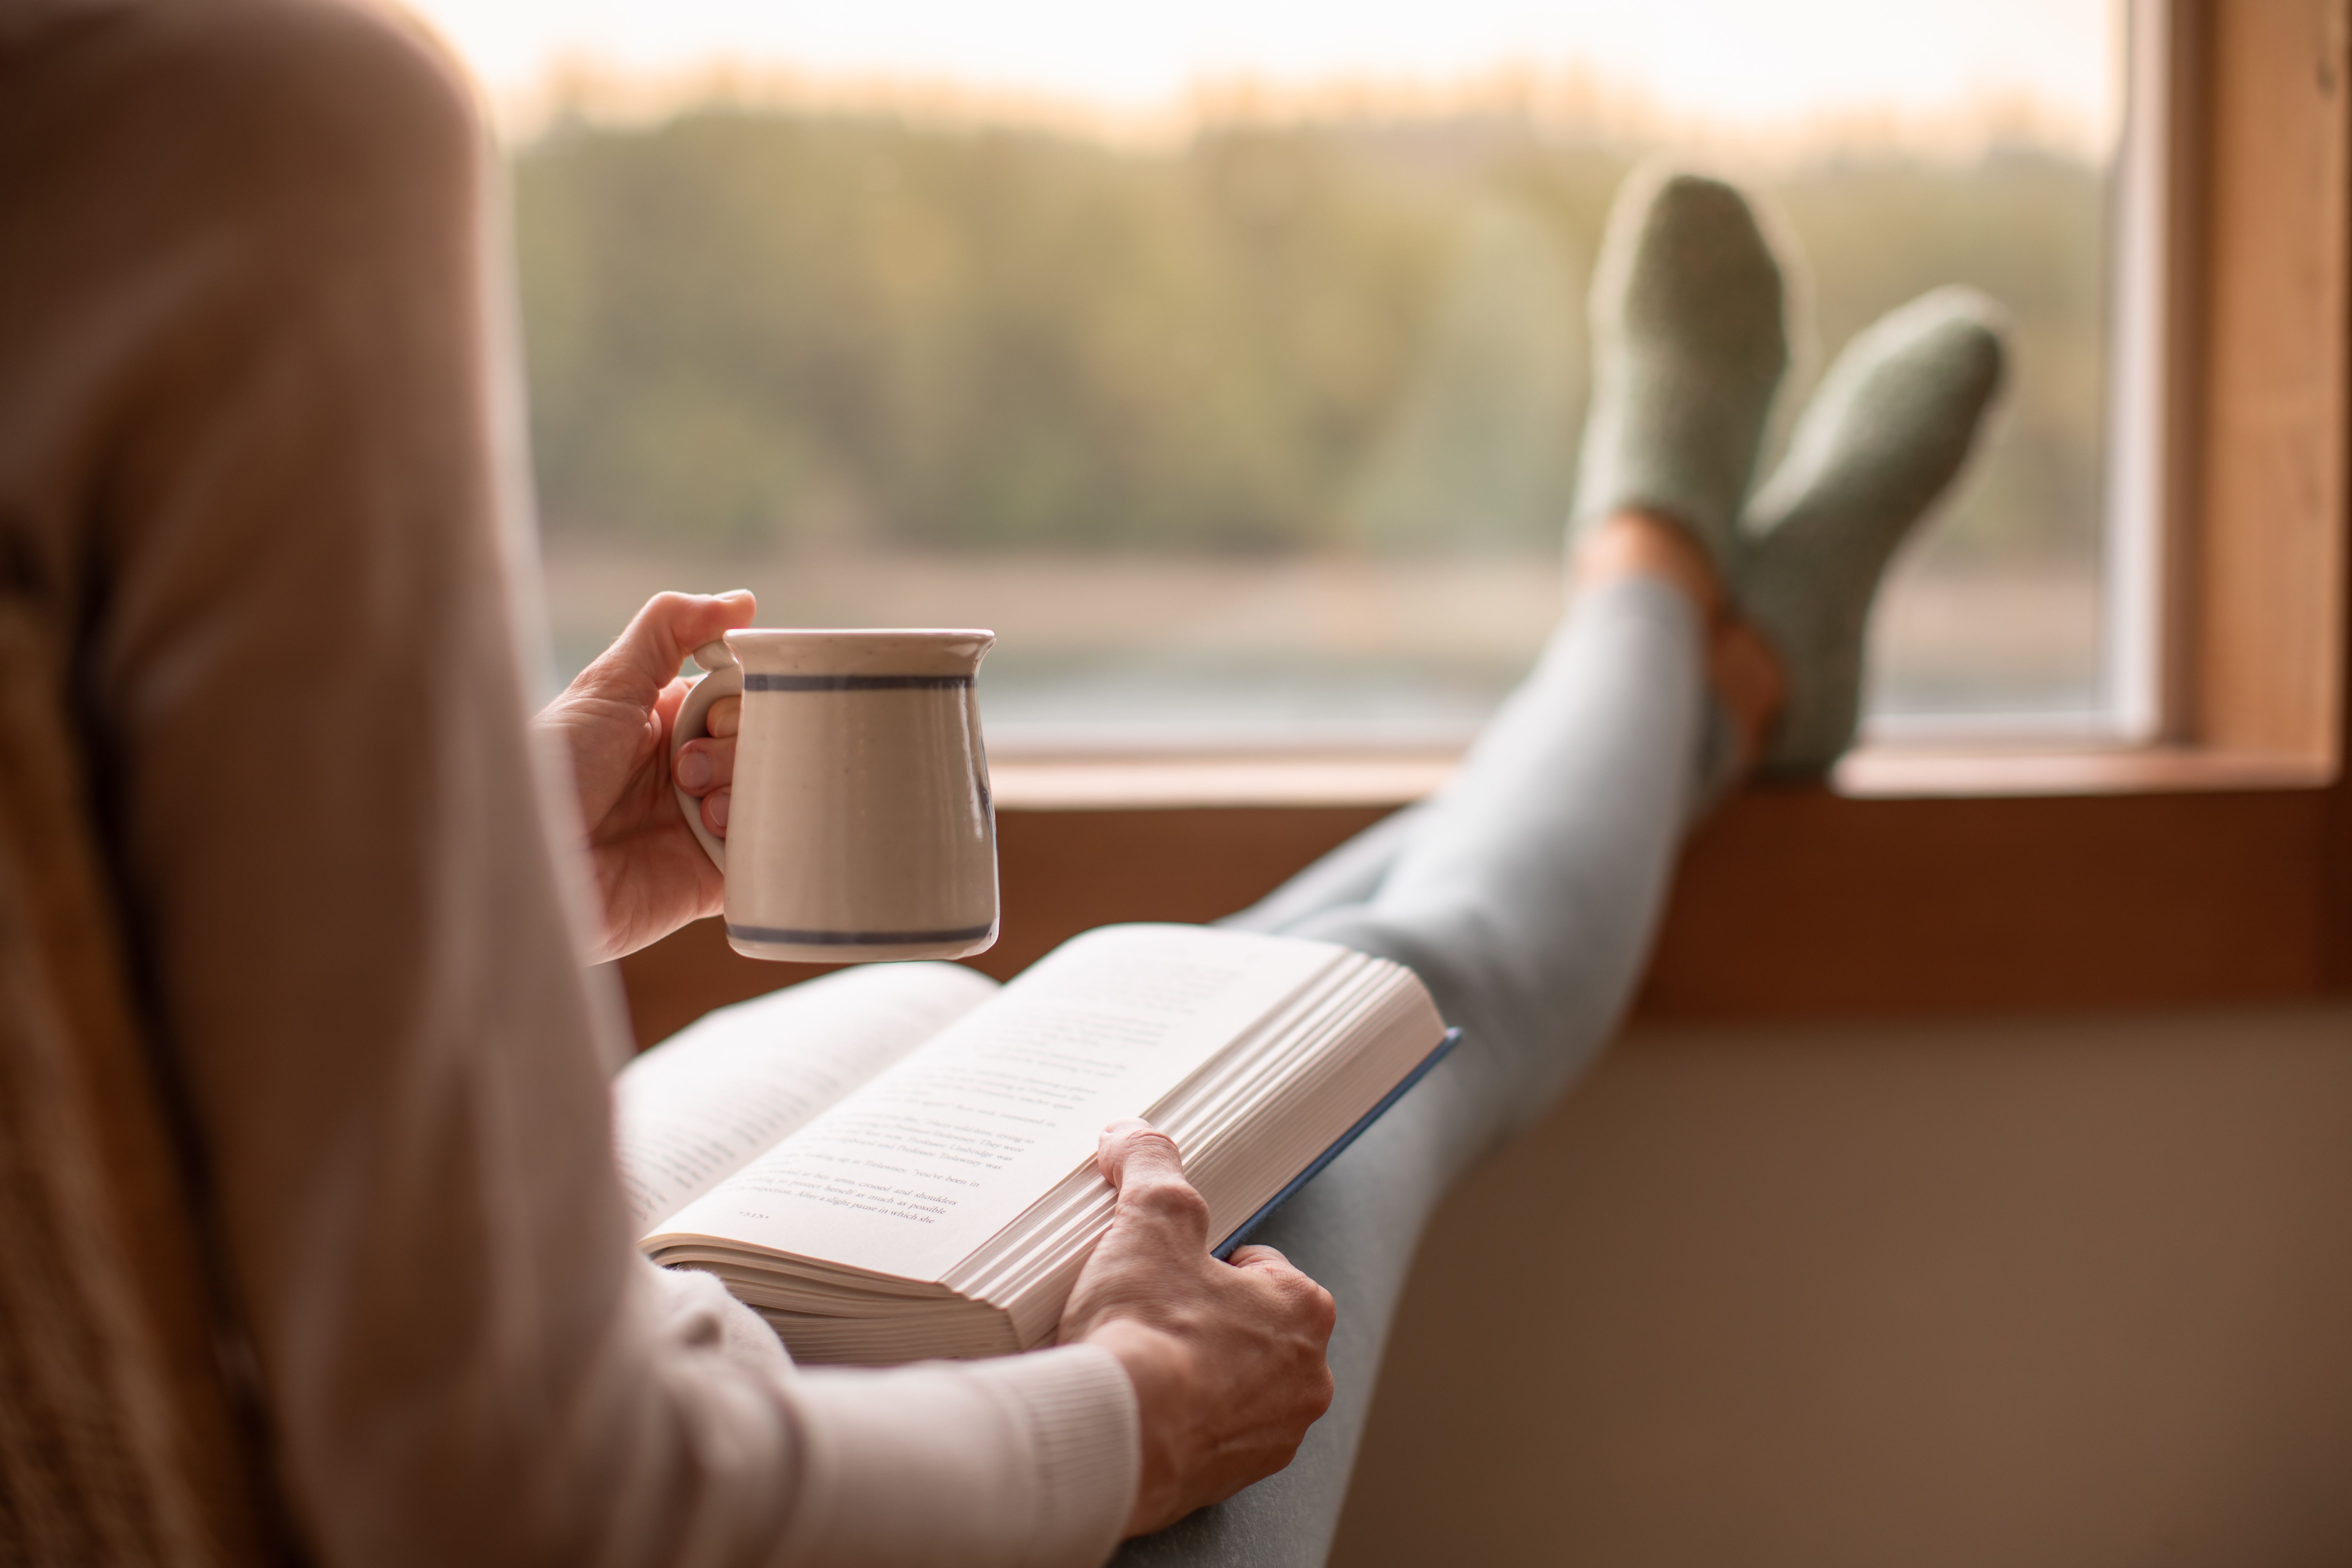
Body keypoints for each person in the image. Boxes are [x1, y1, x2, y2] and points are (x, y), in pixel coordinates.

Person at [0, 0, 2001, 1563]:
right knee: (1372, 1026)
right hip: (647, 1483)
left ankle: (1689, 647)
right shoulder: (224, 136)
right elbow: (527, 1512)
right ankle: (1671, 622)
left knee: (1225, 1028)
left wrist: (477, 883)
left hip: (377, 1377)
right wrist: (1128, 1417)